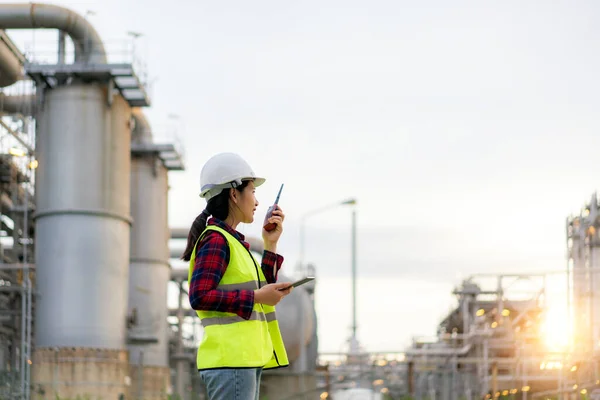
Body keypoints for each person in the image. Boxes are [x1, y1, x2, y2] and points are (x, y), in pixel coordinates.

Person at [181, 152, 292, 400]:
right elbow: (199, 296)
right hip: (231, 361)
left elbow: (261, 288)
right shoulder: (216, 240)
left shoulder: (231, 242)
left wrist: (270, 244)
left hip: (241, 360)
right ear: (234, 194)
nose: (256, 202)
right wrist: (256, 296)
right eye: (252, 191)